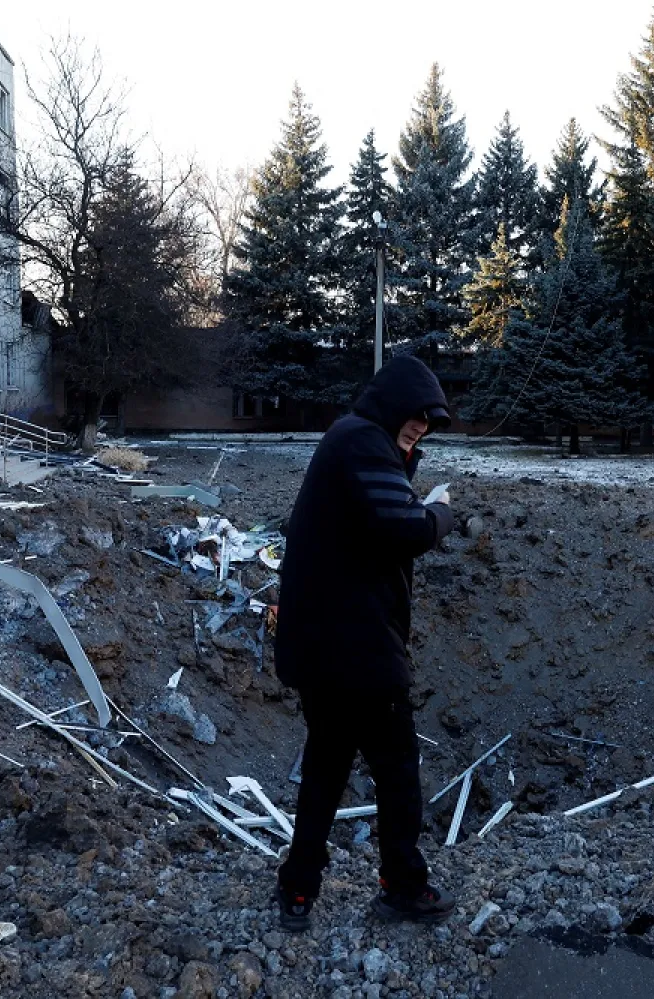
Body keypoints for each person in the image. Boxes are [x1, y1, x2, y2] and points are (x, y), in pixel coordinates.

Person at [272, 354, 459, 931]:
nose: (422, 426)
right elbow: (403, 529)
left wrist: (408, 471)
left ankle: (298, 890)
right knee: (398, 770)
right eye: (417, 416)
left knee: (327, 767)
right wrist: (441, 511)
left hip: (326, 646)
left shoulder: (353, 441)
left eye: (430, 422)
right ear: (393, 405)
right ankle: (402, 886)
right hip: (357, 650)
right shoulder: (361, 442)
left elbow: (372, 526)